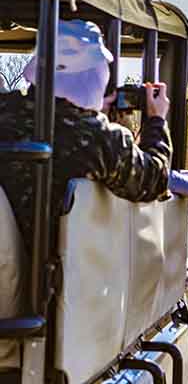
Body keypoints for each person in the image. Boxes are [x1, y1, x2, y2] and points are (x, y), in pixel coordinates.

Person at [0, 19, 172, 252]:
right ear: (95, 75)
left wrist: (90, 112)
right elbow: (155, 180)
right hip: (62, 281)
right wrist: (156, 121)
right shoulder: (101, 140)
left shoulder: (6, 112)